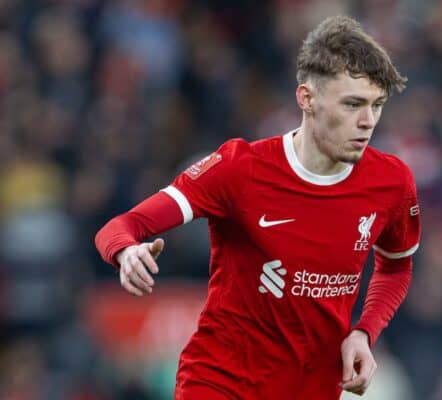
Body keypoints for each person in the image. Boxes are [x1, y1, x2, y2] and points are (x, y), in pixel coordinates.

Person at [95, 15, 420, 400]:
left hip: (312, 388)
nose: (367, 122)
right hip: (221, 383)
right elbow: (122, 226)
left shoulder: (391, 182)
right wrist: (127, 250)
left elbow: (396, 265)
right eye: (352, 104)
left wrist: (364, 332)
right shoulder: (240, 169)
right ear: (307, 98)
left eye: (377, 105)